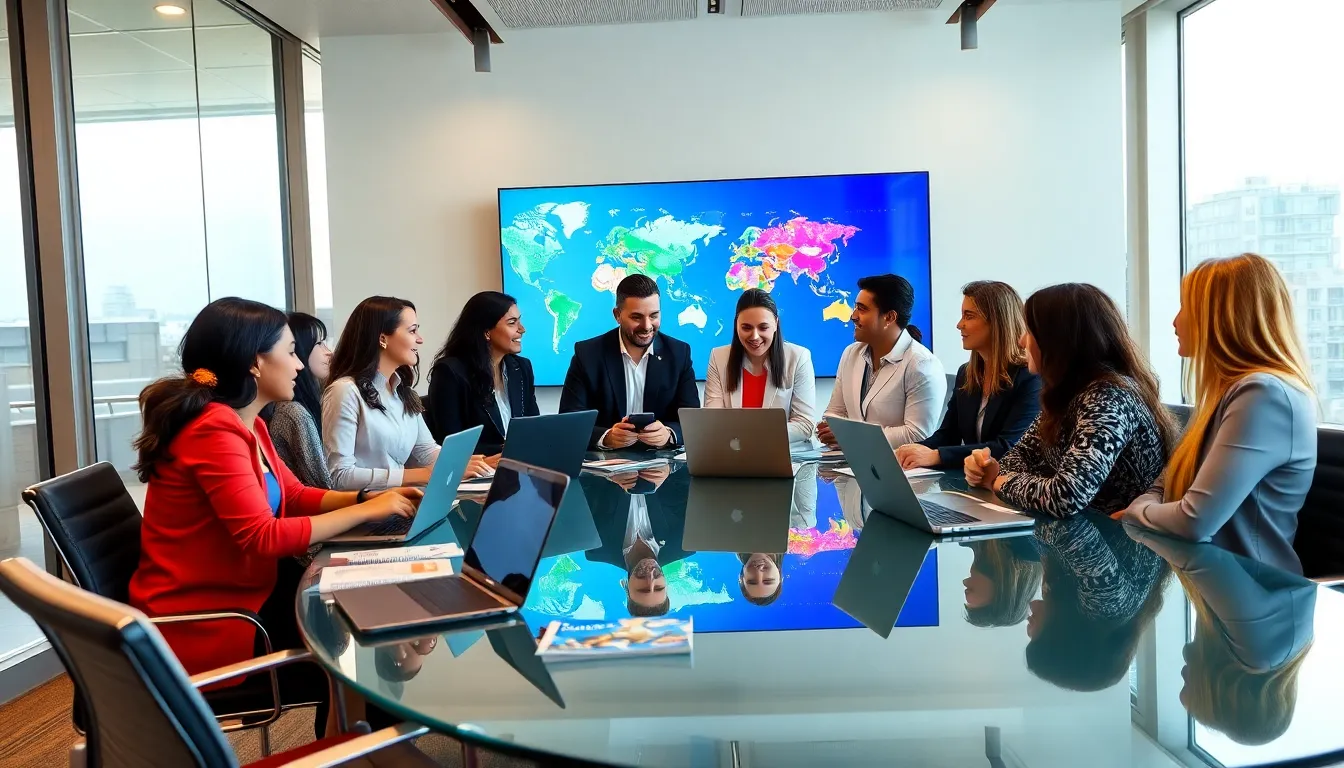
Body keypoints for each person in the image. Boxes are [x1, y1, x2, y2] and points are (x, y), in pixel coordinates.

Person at [127, 298, 423, 737]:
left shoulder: (251, 425)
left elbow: (297, 495)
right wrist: (367, 508)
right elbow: (263, 537)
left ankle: (362, 747)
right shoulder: (213, 431)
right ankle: (372, 749)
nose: (301, 364)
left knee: (373, 615)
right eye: (290, 351)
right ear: (254, 363)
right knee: (371, 636)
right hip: (216, 622)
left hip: (252, 594)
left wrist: (370, 494)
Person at [1122, 254, 1316, 574]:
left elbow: (1193, 521)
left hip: (1256, 602)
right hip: (1217, 589)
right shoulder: (1224, 395)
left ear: (1219, 317)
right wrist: (1148, 505)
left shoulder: (1264, 396)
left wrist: (1135, 511)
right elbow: (1164, 486)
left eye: (1185, 307)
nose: (1175, 321)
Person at [964, 284, 1177, 517]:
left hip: (1123, 545)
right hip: (1087, 536)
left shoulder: (1107, 397)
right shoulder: (1068, 393)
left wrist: (999, 482)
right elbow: (1016, 459)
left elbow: (1066, 497)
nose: (1022, 341)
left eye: (1030, 331)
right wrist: (996, 472)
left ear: (1058, 340)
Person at [323, 296, 487, 491]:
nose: (420, 339)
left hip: (401, 501)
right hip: (369, 511)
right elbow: (339, 476)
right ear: (383, 338)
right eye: (412, 331)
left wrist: (465, 463)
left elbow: (426, 451)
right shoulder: (345, 391)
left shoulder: (403, 392)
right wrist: (421, 474)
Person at [897, 281, 1040, 470]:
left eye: (969, 316)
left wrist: (937, 456)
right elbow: (948, 435)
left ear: (997, 322)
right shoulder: (966, 373)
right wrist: (907, 452)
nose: (959, 325)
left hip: (1011, 487)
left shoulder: (1030, 377)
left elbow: (1009, 447)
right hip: (974, 483)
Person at [559, 274, 700, 450]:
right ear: (617, 315)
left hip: (662, 467)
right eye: (636, 317)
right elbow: (569, 421)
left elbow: (692, 419)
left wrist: (669, 433)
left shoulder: (679, 353)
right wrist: (606, 437)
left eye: (654, 316)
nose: (647, 326)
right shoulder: (587, 355)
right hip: (604, 467)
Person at [817, 274, 945, 449]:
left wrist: (851, 437)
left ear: (889, 317)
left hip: (900, 468)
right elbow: (835, 412)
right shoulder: (851, 353)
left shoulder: (922, 365)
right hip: (853, 462)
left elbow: (917, 434)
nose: (853, 316)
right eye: (855, 307)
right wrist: (830, 428)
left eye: (862, 309)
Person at [427, 291, 540, 455]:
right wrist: (507, 452)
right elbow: (450, 442)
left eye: (519, 321)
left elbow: (534, 427)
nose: (522, 329)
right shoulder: (450, 372)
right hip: (477, 472)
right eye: (512, 323)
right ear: (486, 332)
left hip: (520, 465)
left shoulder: (521, 367)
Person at [703, 288, 817, 445]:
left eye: (763, 328)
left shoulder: (798, 357)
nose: (755, 336)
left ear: (776, 324)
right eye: (746, 328)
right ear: (736, 325)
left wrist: (755, 436)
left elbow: (804, 424)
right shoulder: (719, 357)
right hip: (732, 453)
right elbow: (713, 419)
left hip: (780, 453)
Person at [263, 312, 333, 489]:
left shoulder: (315, 401)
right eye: (319, 343)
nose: (329, 352)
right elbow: (324, 485)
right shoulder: (293, 412)